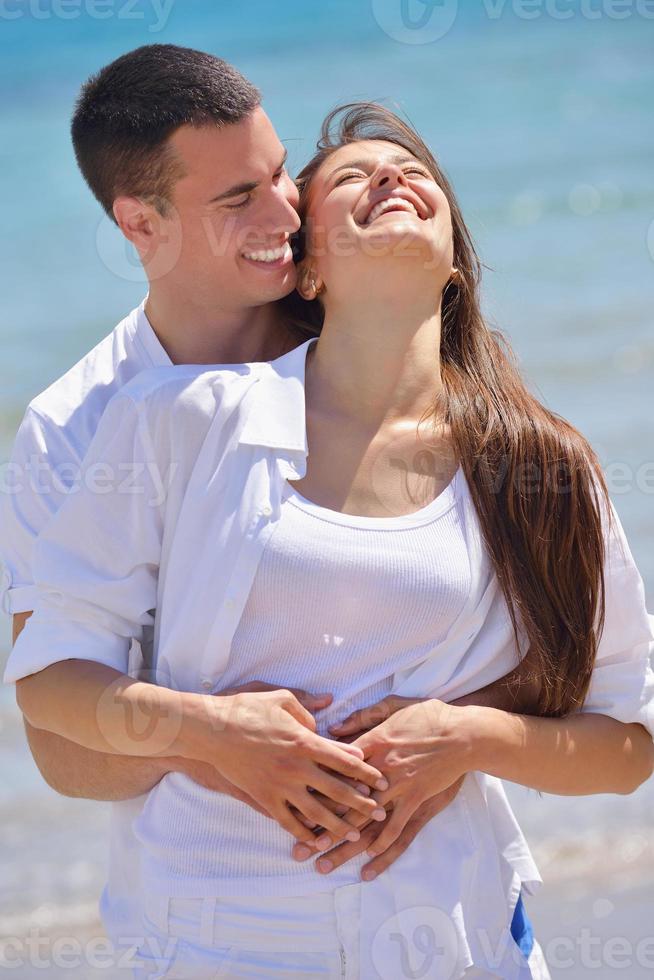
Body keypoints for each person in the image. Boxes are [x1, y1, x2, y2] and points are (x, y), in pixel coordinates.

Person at [6, 102, 653, 978]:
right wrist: (210, 730)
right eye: (352, 177)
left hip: (454, 945)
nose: (389, 178)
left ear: (455, 260)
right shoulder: (175, 422)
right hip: (215, 947)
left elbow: (627, 742)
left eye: (412, 173)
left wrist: (470, 739)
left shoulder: (541, 465)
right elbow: (50, 681)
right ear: (305, 273)